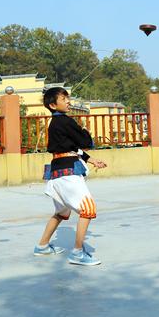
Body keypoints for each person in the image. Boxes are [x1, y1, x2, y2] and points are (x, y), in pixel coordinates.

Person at [34, 87, 106, 266]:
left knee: (61, 212)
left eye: (68, 98)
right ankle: (77, 252)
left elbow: (72, 148)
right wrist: (84, 131)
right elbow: (85, 143)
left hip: (57, 173)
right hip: (68, 174)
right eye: (64, 98)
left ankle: (42, 246)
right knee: (88, 209)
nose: (68, 101)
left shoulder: (56, 124)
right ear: (53, 104)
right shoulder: (65, 121)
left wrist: (91, 161)